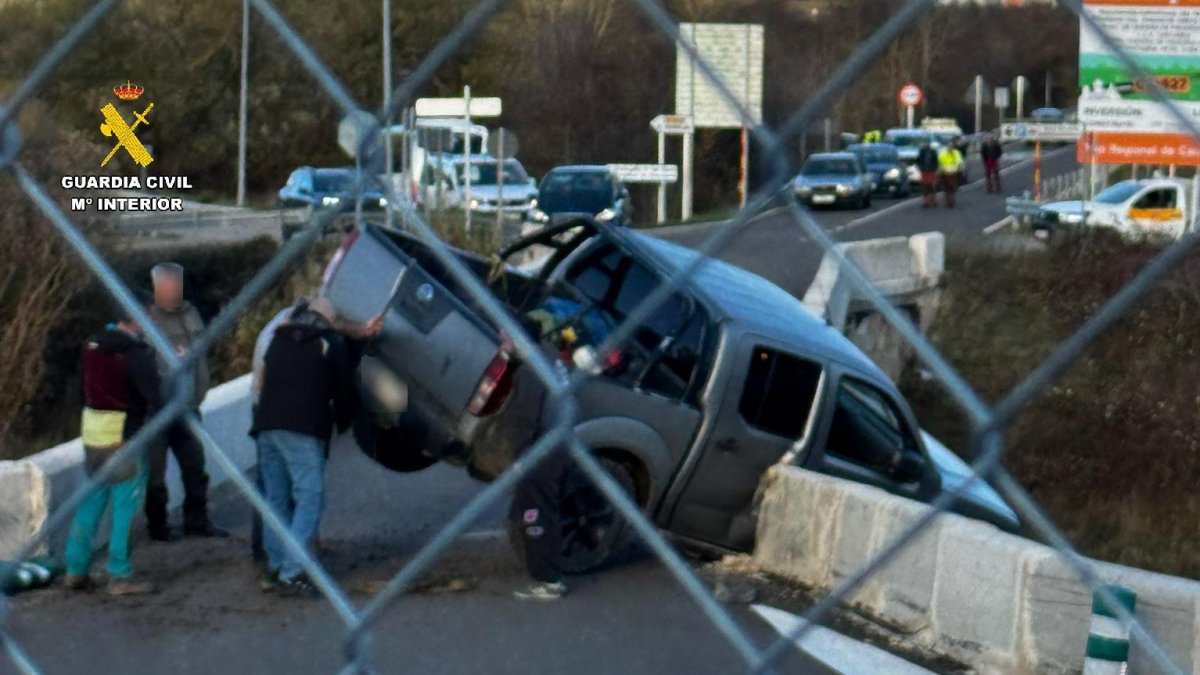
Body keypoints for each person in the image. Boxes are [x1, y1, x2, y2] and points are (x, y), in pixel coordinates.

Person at [254, 298, 358, 596]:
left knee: (276, 498)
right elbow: (344, 391)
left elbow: (263, 378)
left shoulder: (279, 338)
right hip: (303, 428)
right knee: (310, 496)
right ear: (330, 321)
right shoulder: (330, 343)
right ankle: (293, 571)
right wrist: (345, 423)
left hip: (266, 426)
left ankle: (276, 564)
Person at [63, 306, 161, 596]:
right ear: (136, 317)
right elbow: (153, 395)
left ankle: (75, 569)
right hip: (124, 438)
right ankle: (120, 574)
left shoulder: (92, 345)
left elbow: (80, 390)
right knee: (126, 509)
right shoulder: (135, 352)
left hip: (93, 434)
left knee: (91, 501)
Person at [509, 449, 576, 601]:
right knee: (539, 515)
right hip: (544, 454)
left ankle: (550, 582)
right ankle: (549, 579)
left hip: (542, 459)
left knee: (537, 519)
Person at [937, 141, 965, 208]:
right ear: (947, 146)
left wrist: (958, 168)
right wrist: (940, 171)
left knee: (952, 188)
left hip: (953, 172)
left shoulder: (956, 153)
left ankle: (952, 200)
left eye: (952, 146)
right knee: (946, 188)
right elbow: (940, 162)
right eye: (949, 146)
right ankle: (948, 201)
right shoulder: (943, 153)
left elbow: (959, 161)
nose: (951, 147)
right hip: (945, 172)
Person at [916, 141, 940, 208]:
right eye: (925, 145)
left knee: (932, 186)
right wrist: (921, 168)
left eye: (927, 145)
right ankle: (926, 202)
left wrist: (934, 168)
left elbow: (936, 161)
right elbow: (918, 161)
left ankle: (933, 200)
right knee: (925, 186)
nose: (926, 146)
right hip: (924, 171)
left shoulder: (933, 152)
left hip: (931, 171)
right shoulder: (922, 152)